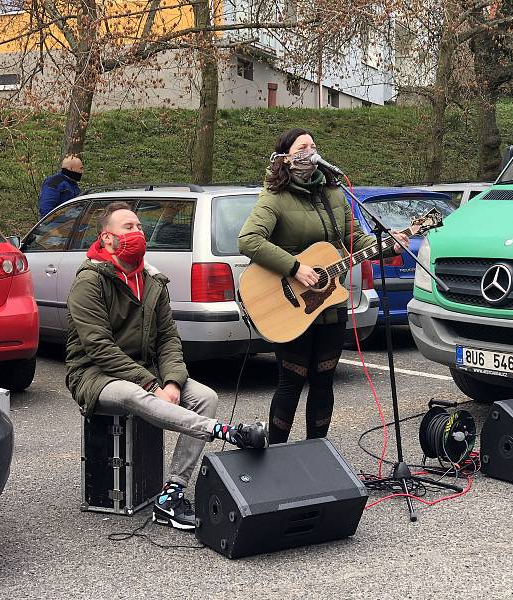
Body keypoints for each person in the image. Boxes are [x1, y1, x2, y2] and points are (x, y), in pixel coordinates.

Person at [66, 201, 268, 531]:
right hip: (94, 373)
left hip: (148, 371)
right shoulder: (89, 281)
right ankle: (223, 432)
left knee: (206, 398)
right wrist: (151, 385)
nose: (137, 232)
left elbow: (169, 341)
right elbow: (98, 347)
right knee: (134, 396)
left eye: (139, 227)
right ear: (107, 239)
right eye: (128, 227)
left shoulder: (153, 280)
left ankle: (170, 495)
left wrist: (172, 382)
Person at [238, 127, 409, 445]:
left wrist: (389, 244)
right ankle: (275, 455)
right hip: (289, 306)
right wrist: (295, 267)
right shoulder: (275, 197)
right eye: (302, 147)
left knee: (323, 381)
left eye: (313, 147)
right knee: (292, 381)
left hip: (331, 306)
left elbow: (355, 239)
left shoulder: (335, 194)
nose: (310, 151)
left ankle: (317, 452)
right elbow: (249, 240)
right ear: (285, 157)